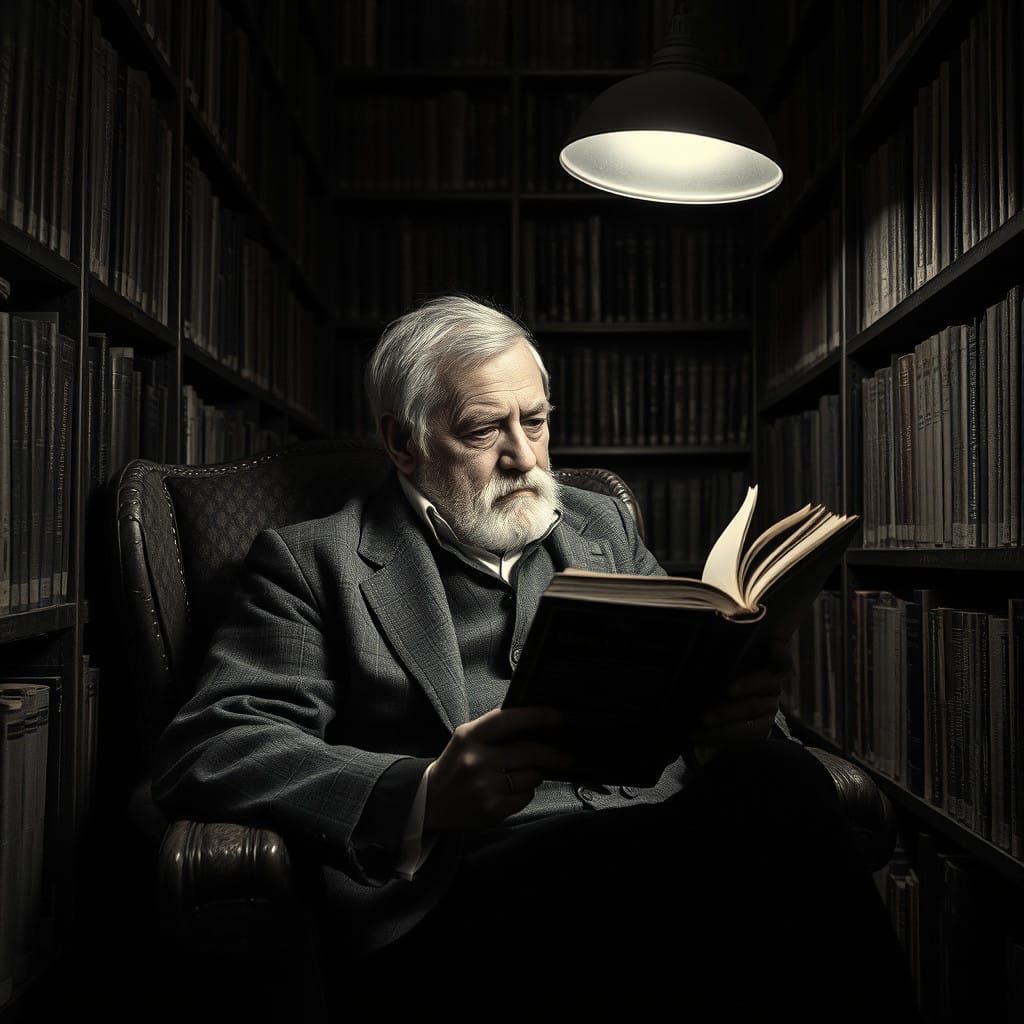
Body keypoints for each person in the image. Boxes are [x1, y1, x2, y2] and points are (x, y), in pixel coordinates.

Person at [151, 294, 919, 1019]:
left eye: (537, 422)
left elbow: (685, 689)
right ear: (403, 442)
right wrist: (423, 793)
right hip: (475, 888)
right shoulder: (311, 562)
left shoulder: (602, 525)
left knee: (779, 774)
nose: (525, 457)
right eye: (485, 430)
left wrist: (731, 722)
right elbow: (215, 746)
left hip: (658, 847)